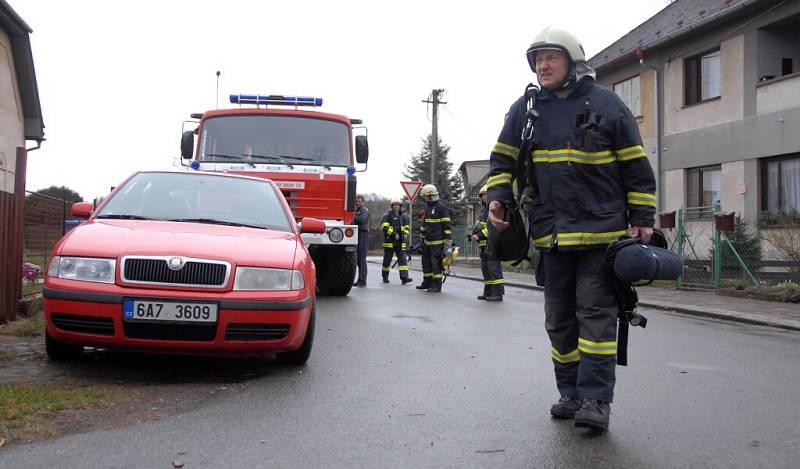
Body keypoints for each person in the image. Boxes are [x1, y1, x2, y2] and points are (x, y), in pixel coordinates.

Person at [486, 26, 656, 431]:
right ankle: (571, 393)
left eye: (551, 57)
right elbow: (501, 163)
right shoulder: (524, 111)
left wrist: (643, 220)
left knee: (596, 319)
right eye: (537, 60)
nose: (542, 65)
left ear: (572, 61)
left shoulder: (607, 105)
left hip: (602, 239)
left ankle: (596, 400)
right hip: (552, 238)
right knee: (559, 320)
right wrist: (496, 197)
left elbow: (636, 168)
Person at [470, 185, 504, 301]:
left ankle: (498, 294)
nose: (484, 197)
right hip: (484, 244)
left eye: (486, 194)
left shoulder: (495, 208)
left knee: (494, 269)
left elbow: (492, 227)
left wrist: (478, 235)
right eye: (483, 194)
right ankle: (488, 292)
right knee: (486, 269)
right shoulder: (484, 210)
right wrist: (473, 234)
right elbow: (480, 225)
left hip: (493, 244)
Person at [415, 184, 452, 293]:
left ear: (430, 195)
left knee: (435, 262)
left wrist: (447, 241)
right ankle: (427, 282)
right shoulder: (427, 207)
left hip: (438, 242)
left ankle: (436, 284)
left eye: (425, 196)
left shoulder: (441, 207)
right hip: (427, 241)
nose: (424, 198)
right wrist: (421, 234)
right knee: (426, 262)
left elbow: (447, 225)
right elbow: (424, 223)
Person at [380, 199, 413, 284]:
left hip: (401, 242)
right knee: (387, 261)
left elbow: (407, 227)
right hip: (389, 242)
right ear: (392, 206)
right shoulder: (387, 216)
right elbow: (384, 227)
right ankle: (385, 277)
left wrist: (405, 234)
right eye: (394, 205)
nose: (396, 206)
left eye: (398, 205)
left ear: (400, 206)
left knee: (402, 260)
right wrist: (394, 234)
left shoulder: (403, 216)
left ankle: (404, 277)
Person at [352, 195, 370, 287]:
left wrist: (352, 217)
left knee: (362, 258)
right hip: (357, 235)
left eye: (359, 201)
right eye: (357, 201)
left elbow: (361, 220)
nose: (358, 203)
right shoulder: (356, 211)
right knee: (358, 259)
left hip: (363, 235)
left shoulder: (364, 211)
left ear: (363, 202)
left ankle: (363, 280)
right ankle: (360, 279)